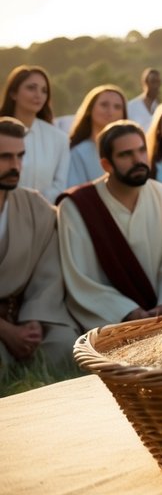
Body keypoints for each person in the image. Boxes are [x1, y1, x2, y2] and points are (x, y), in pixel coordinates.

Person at [57, 121, 162, 330]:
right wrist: (126, 312)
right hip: (109, 319)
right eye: (125, 155)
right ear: (106, 165)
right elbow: (80, 277)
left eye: (142, 150)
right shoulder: (76, 207)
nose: (138, 160)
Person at [0, 118, 78, 370]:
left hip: (22, 312)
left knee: (66, 344)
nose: (15, 166)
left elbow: (48, 270)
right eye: (5, 157)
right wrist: (6, 331)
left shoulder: (35, 206)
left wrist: (34, 317)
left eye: (20, 156)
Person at [1, 65, 69, 202]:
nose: (38, 95)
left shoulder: (59, 138)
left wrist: (31, 205)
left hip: (42, 215)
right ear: (13, 93)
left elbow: (60, 185)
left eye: (44, 91)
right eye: (31, 88)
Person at [66, 85, 128, 187]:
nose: (110, 111)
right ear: (90, 109)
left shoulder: (132, 150)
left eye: (117, 107)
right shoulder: (78, 152)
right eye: (104, 105)